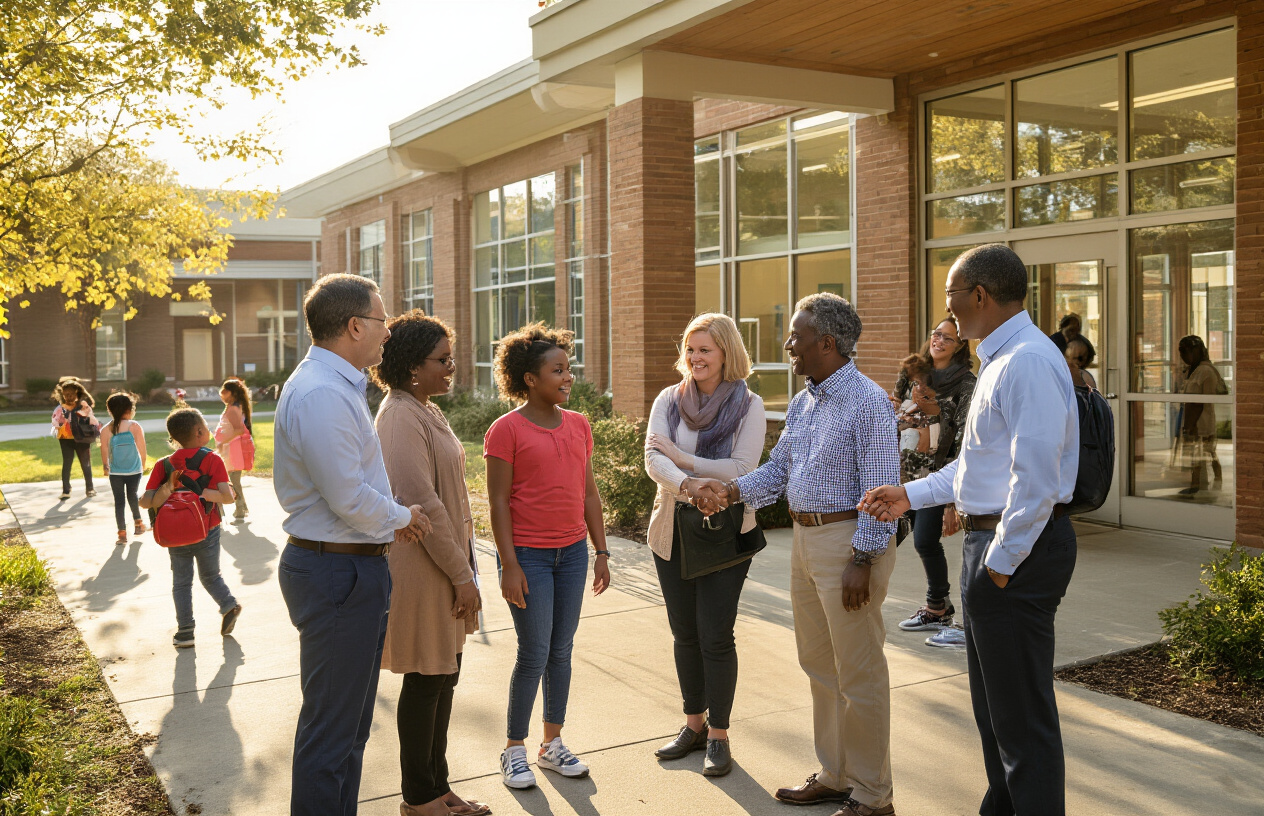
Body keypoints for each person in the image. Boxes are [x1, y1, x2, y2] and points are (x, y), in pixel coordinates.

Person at [859, 243, 1079, 816]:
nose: (949, 311)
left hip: (1015, 552)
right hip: (993, 545)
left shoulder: (1026, 361)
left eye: (953, 296)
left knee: (1021, 725)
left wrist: (1000, 567)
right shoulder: (1003, 361)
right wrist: (909, 493)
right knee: (997, 719)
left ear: (979, 294)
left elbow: (1036, 481)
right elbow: (977, 467)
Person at [688, 293, 900, 816]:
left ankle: (874, 797)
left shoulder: (868, 402)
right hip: (806, 542)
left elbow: (880, 488)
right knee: (820, 667)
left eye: (797, 336)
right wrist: (732, 492)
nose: (788, 346)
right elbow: (778, 469)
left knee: (859, 673)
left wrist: (864, 559)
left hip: (849, 542)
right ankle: (836, 774)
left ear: (826, 343)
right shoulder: (807, 401)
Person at [273, 273, 432, 816]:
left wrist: (390, 522)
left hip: (348, 569)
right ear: (355, 325)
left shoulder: (334, 385)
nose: (388, 334)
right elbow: (347, 495)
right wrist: (402, 516)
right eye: (383, 321)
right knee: (331, 734)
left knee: (350, 731)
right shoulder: (320, 392)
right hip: (335, 572)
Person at [484, 323, 612, 791]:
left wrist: (600, 551)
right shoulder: (506, 429)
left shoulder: (578, 425)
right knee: (534, 652)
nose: (567, 377)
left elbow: (589, 493)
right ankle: (513, 749)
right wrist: (509, 564)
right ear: (529, 378)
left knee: (562, 650)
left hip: (573, 553)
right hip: (529, 558)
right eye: (557, 370)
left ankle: (551, 745)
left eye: (569, 369)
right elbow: (497, 502)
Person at [372, 312, 489, 816]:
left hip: (448, 564)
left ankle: (440, 788)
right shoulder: (398, 415)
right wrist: (461, 574)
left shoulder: (425, 409)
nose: (452, 367)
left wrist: (466, 565)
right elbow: (419, 499)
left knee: (444, 677)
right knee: (426, 680)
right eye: (443, 360)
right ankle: (419, 797)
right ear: (412, 366)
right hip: (424, 569)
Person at [643, 313, 766, 778]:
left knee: (716, 634)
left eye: (705, 350)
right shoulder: (668, 399)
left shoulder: (749, 405)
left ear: (726, 353)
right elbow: (654, 458)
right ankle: (693, 725)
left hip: (726, 534)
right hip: (672, 530)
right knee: (684, 633)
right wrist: (689, 482)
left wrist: (684, 459)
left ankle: (719, 735)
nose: (695, 358)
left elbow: (741, 468)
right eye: (691, 349)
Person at [890, 318, 976, 650]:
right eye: (936, 334)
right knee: (890, 536)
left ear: (960, 346)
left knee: (925, 539)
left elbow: (964, 438)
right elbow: (894, 410)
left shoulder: (967, 384)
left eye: (948, 338)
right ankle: (936, 607)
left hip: (937, 476)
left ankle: (937, 607)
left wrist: (953, 501)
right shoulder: (912, 370)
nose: (938, 340)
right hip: (902, 470)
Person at [138, 407, 242, 648]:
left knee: (181, 582)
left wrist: (169, 488)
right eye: (205, 426)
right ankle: (229, 605)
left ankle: (185, 632)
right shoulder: (212, 459)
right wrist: (202, 492)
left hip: (175, 533)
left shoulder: (164, 465)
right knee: (210, 575)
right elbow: (227, 498)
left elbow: (145, 502)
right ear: (199, 432)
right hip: (208, 528)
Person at [1176, 334, 1226, 495]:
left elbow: (1199, 402)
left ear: (1196, 351)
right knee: (1198, 456)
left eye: (1185, 352)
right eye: (1181, 352)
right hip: (1194, 420)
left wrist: (1189, 426)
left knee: (1206, 454)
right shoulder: (1194, 369)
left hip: (1201, 422)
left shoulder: (1204, 370)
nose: (1183, 356)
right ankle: (1197, 485)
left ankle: (1212, 483)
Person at [100, 391, 148, 544]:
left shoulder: (106, 429)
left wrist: (105, 467)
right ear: (130, 409)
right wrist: (143, 464)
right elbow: (142, 449)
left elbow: (104, 450)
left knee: (119, 501)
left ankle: (121, 533)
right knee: (132, 495)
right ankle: (138, 523)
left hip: (116, 472)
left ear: (110, 410)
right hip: (134, 470)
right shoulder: (134, 426)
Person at [51, 377, 99, 500]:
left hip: (82, 438)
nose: (69, 397)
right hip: (65, 439)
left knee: (85, 463)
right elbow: (55, 423)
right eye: (66, 395)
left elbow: (92, 420)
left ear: (76, 393)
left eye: (71, 394)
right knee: (67, 463)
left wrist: (81, 415)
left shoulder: (83, 406)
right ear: (62, 395)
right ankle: (66, 490)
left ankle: (90, 488)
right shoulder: (60, 408)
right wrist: (62, 419)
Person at [214, 377, 255, 522]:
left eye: (224, 391)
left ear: (231, 393)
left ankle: (240, 510)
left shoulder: (233, 409)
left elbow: (238, 430)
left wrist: (222, 442)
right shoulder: (234, 407)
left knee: (233, 480)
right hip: (231, 448)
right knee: (233, 480)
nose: (221, 393)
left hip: (233, 449)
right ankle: (240, 509)